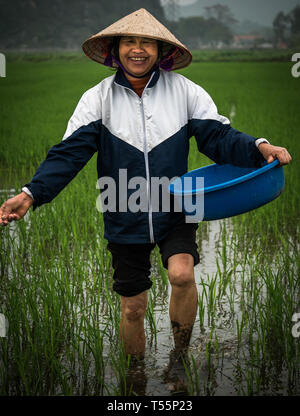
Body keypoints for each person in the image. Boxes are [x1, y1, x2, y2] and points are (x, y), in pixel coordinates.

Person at [0, 9, 292, 366]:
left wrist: (259, 147)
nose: (137, 50)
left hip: (178, 203)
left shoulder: (184, 91)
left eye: (146, 43)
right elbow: (68, 155)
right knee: (133, 307)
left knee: (182, 274)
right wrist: (30, 193)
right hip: (122, 206)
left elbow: (218, 136)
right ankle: (136, 378)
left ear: (160, 51)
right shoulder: (98, 100)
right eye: (129, 42)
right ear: (116, 49)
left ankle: (179, 359)